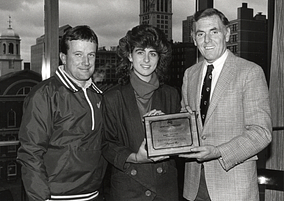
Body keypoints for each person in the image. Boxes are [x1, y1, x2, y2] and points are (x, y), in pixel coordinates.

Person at [180, 8, 272, 201]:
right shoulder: (190, 74)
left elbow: (261, 133)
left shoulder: (250, 72)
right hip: (194, 188)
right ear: (194, 39)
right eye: (200, 34)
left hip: (234, 189)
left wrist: (218, 152)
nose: (207, 40)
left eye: (214, 32)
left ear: (227, 34)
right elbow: (186, 121)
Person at [17, 25, 107, 201]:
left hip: (93, 194)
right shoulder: (44, 95)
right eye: (78, 54)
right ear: (63, 58)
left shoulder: (98, 96)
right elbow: (30, 153)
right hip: (56, 197)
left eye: (91, 55)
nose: (86, 62)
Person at [102, 24, 181, 201]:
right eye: (140, 52)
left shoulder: (171, 94)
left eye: (152, 53)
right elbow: (106, 144)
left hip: (164, 189)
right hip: (128, 189)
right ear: (130, 56)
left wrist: (179, 125)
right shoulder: (112, 97)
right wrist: (136, 158)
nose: (146, 60)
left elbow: (177, 142)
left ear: (159, 58)